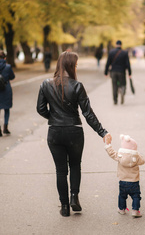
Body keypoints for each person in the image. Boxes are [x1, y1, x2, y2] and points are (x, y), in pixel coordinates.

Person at [36, 51, 111, 217]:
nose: (76, 67)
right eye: (75, 65)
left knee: (60, 171)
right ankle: (74, 197)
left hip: (55, 132)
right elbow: (88, 113)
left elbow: (40, 109)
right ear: (71, 66)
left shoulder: (45, 84)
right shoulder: (77, 86)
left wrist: (54, 117)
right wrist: (102, 132)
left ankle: (64, 207)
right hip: (74, 131)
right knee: (75, 165)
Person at [105, 134, 145, 218]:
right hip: (134, 182)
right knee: (136, 196)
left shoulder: (120, 155)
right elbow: (142, 161)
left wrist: (108, 145)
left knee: (122, 196)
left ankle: (121, 209)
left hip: (123, 181)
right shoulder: (136, 157)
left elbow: (112, 153)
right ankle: (135, 210)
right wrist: (136, 154)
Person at [104, 40, 132, 105]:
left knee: (114, 86)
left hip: (113, 72)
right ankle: (122, 92)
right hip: (121, 72)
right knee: (122, 84)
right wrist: (130, 73)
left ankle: (115, 100)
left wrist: (106, 73)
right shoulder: (124, 53)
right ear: (121, 45)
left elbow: (108, 63)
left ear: (116, 45)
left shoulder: (111, 52)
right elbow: (128, 64)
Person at [0, 50, 15, 137]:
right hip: (6, 89)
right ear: (5, 57)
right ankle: (5, 127)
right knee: (6, 109)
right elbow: (12, 77)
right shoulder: (8, 67)